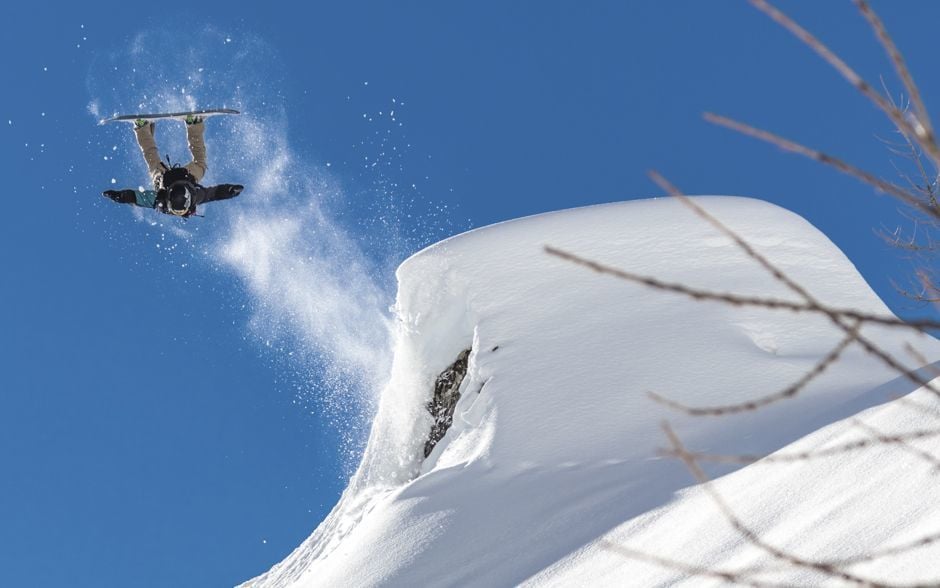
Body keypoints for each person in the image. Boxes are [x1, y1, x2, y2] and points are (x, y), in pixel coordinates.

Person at [102, 115, 243, 217]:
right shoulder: (195, 196)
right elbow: (214, 194)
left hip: (163, 179)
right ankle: (193, 124)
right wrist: (230, 190)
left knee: (152, 158)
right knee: (200, 163)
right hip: (186, 176)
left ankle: (142, 127)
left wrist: (118, 196)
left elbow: (136, 197)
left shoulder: (160, 200)